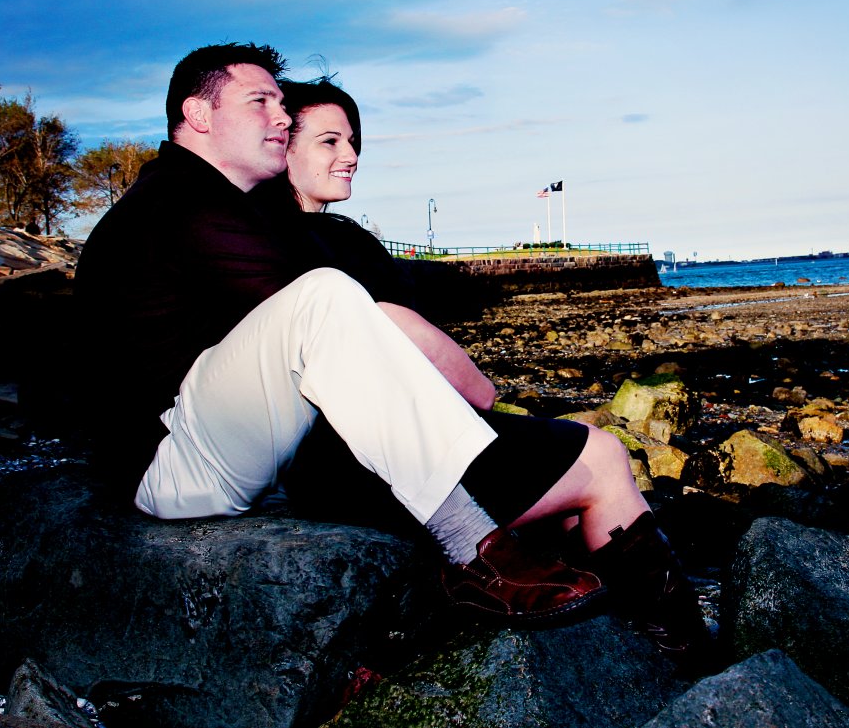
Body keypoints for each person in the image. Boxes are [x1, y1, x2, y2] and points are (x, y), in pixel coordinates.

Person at [248, 75, 717, 659]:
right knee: (601, 458)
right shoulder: (308, 246)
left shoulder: (295, 238)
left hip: (360, 451)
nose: (351, 156)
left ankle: (625, 649)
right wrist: (478, 388)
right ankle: (688, 655)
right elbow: (414, 343)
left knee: (577, 477)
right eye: (329, 141)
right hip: (373, 461)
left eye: (354, 142)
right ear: (282, 144)